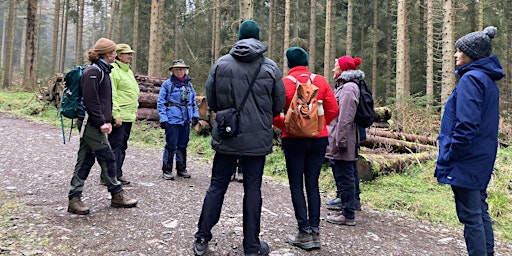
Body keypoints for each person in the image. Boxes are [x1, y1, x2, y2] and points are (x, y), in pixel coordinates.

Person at [193, 20, 285, 256]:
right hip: (257, 139)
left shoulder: (221, 64)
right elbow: (278, 105)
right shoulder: (270, 68)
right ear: (258, 38)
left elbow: (211, 102)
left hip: (227, 135)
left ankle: (202, 238)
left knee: (217, 186)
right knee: (253, 190)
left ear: (240, 37)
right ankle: (252, 246)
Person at [435, 26, 503, 256]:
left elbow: (466, 124)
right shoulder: (486, 80)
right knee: (479, 210)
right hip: (480, 157)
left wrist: (452, 153)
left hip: (467, 158)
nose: (455, 55)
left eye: (460, 50)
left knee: (470, 216)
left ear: (471, 54)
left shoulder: (471, 79)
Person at [272, 47, 338, 250]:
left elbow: (273, 114)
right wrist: (317, 126)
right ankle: (316, 232)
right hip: (318, 140)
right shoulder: (320, 81)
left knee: (296, 185)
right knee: (312, 184)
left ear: (289, 63)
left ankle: (304, 233)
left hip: (293, 140)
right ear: (307, 62)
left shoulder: (284, 84)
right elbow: (334, 109)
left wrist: (290, 126)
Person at [67, 38, 138, 215]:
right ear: (107, 53)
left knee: (86, 159)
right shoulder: (93, 72)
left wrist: (110, 118)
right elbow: (91, 100)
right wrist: (101, 122)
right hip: (90, 123)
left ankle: (74, 197)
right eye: (114, 52)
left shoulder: (103, 71)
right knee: (107, 156)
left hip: (94, 123)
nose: (116, 54)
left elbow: (104, 100)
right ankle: (117, 194)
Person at [325, 55, 365, 226]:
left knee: (346, 175)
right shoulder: (345, 87)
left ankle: (348, 214)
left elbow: (345, 118)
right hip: (340, 137)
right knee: (343, 174)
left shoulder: (348, 89)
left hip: (343, 139)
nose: (333, 70)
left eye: (335, 66)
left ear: (342, 70)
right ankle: (346, 209)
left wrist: (339, 141)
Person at [157, 59, 199, 180]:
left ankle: (181, 169)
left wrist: (195, 115)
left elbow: (193, 102)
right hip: (172, 120)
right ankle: (167, 170)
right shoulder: (167, 84)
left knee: (183, 145)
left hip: (185, 120)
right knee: (171, 145)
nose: (179, 71)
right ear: (172, 71)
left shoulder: (189, 84)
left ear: (185, 70)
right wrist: (163, 119)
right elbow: (161, 102)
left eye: (181, 69)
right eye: (177, 69)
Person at [107, 43, 139, 185]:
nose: (130, 56)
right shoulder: (114, 70)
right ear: (119, 55)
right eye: (127, 54)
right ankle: (110, 176)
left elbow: (131, 92)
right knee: (115, 145)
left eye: (130, 53)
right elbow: (112, 94)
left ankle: (117, 173)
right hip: (119, 116)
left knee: (122, 146)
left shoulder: (128, 70)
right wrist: (116, 114)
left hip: (128, 115)